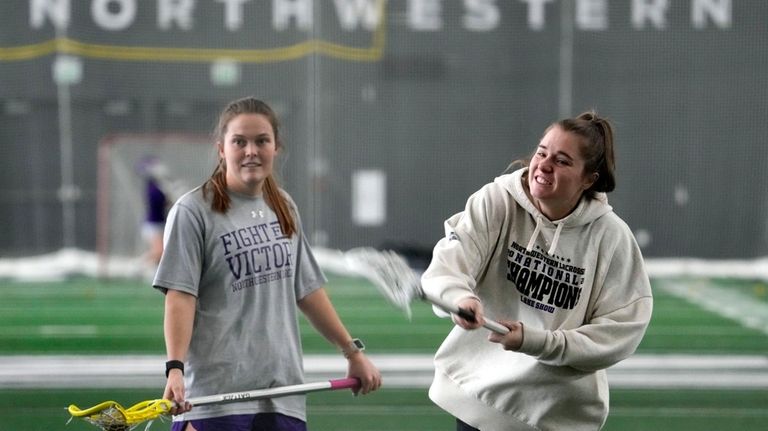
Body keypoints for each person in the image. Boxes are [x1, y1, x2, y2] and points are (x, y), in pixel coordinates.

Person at [154, 96, 382, 431]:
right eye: (239, 142)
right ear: (221, 149)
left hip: (282, 392)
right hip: (217, 397)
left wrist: (352, 352)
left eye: (262, 141)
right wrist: (174, 368)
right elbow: (180, 297)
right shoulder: (192, 212)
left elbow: (307, 290)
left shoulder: (284, 206)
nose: (251, 151)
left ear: (276, 148)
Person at [421, 110, 653, 430]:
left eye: (562, 160)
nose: (543, 165)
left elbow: (620, 332)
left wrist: (539, 342)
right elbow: (448, 266)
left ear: (589, 179)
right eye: (542, 153)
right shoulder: (496, 202)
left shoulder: (611, 238)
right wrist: (459, 298)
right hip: (479, 400)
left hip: (554, 416)